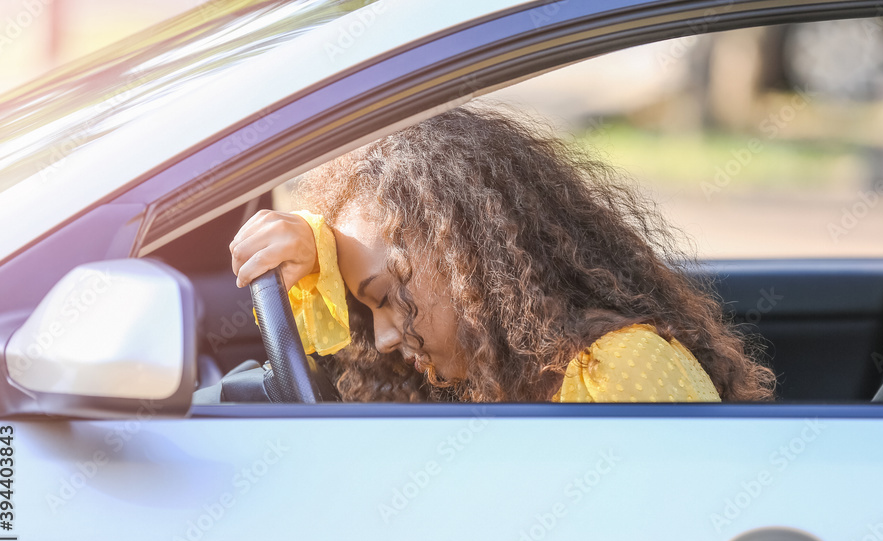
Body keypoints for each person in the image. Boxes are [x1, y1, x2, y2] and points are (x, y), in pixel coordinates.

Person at [229, 105, 775, 403]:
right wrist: (316, 244)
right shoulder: (491, 377)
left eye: (391, 298)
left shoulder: (621, 369)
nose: (387, 338)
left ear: (465, 256)